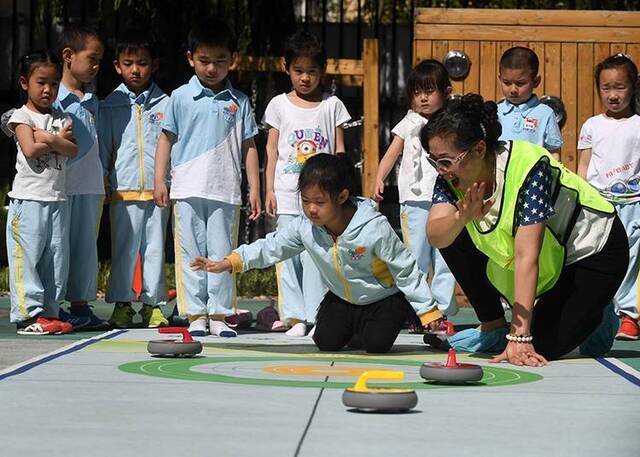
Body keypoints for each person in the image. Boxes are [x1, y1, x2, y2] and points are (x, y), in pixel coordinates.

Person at [423, 93, 628, 366]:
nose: (440, 170)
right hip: (550, 257)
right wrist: (462, 216)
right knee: (452, 231)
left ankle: (600, 315)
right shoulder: (449, 176)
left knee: (540, 345)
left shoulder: (529, 167)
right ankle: (493, 325)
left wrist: (520, 337)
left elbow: (527, 256)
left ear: (480, 149)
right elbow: (436, 236)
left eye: (446, 161)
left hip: (593, 252)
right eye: (433, 160)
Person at [191, 154, 444, 353]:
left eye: (320, 202)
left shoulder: (374, 228)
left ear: (343, 196)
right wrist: (230, 261)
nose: (311, 209)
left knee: (376, 345)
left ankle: (377, 324)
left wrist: (427, 310)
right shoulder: (306, 227)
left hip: (382, 299)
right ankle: (357, 328)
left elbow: (405, 268)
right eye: (305, 201)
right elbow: (272, 246)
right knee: (326, 341)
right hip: (342, 298)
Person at [153, 18, 261, 337]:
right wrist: (160, 181)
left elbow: (249, 146)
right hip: (186, 190)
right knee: (190, 254)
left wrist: (254, 187)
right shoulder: (179, 97)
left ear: (233, 60)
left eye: (219, 61)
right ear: (190, 58)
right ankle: (195, 314)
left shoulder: (240, 101)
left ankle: (219, 313)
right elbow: (165, 139)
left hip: (225, 190)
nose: (211, 68)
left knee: (222, 254)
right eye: (204, 61)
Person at [263, 31, 351, 336]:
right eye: (298, 71)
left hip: (322, 200)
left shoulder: (332, 105)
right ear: (286, 68)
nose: (305, 78)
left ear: (322, 71)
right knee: (286, 256)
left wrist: (340, 193)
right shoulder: (278, 105)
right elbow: (271, 151)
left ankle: (317, 316)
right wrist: (269, 190)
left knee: (318, 257)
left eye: (312, 71)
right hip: (287, 195)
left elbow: (340, 150)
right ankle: (294, 317)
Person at [373, 59, 457, 324]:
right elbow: (391, 153)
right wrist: (379, 177)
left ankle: (441, 309)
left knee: (446, 256)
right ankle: (420, 310)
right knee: (415, 256)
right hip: (414, 201)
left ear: (447, 91)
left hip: (446, 200)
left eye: (429, 91)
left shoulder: (451, 123)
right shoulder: (407, 123)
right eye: (417, 92)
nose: (423, 98)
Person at [98, 31, 170, 328]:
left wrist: (167, 180)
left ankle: (153, 305)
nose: (135, 70)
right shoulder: (111, 103)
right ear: (117, 66)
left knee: (155, 248)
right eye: (128, 63)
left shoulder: (167, 102)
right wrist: (103, 176)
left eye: (142, 63)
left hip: (158, 191)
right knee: (124, 250)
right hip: (123, 188)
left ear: (154, 64)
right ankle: (123, 304)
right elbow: (104, 146)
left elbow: (172, 145)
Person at [6, 51, 78, 334]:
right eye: (41, 82)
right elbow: (29, 148)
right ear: (25, 83)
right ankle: (28, 315)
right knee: (28, 258)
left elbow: (73, 150)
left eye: (54, 83)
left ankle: (49, 311)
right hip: (29, 200)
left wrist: (48, 137)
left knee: (56, 259)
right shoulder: (21, 116)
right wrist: (57, 142)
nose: (48, 89)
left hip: (57, 199)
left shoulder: (60, 118)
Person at [578, 54, 640, 341]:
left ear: (633, 87)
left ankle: (628, 315)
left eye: (620, 87)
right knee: (598, 258)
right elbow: (583, 165)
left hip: (633, 204)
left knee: (630, 257)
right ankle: (599, 313)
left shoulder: (638, 124)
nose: (613, 95)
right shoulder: (591, 125)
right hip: (599, 206)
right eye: (606, 88)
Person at [53, 24, 108, 330]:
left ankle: (81, 304)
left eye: (100, 59)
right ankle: (54, 304)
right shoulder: (54, 99)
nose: (96, 66)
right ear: (68, 56)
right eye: (93, 58)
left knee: (86, 245)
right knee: (59, 245)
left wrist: (105, 175)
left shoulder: (92, 100)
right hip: (61, 186)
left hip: (90, 185)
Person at [497, 47, 562, 160]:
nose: (513, 89)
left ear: (536, 82)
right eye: (507, 83)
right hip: (499, 176)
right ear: (500, 79)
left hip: (533, 176)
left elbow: (553, 153)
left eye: (520, 83)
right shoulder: (495, 112)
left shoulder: (545, 113)